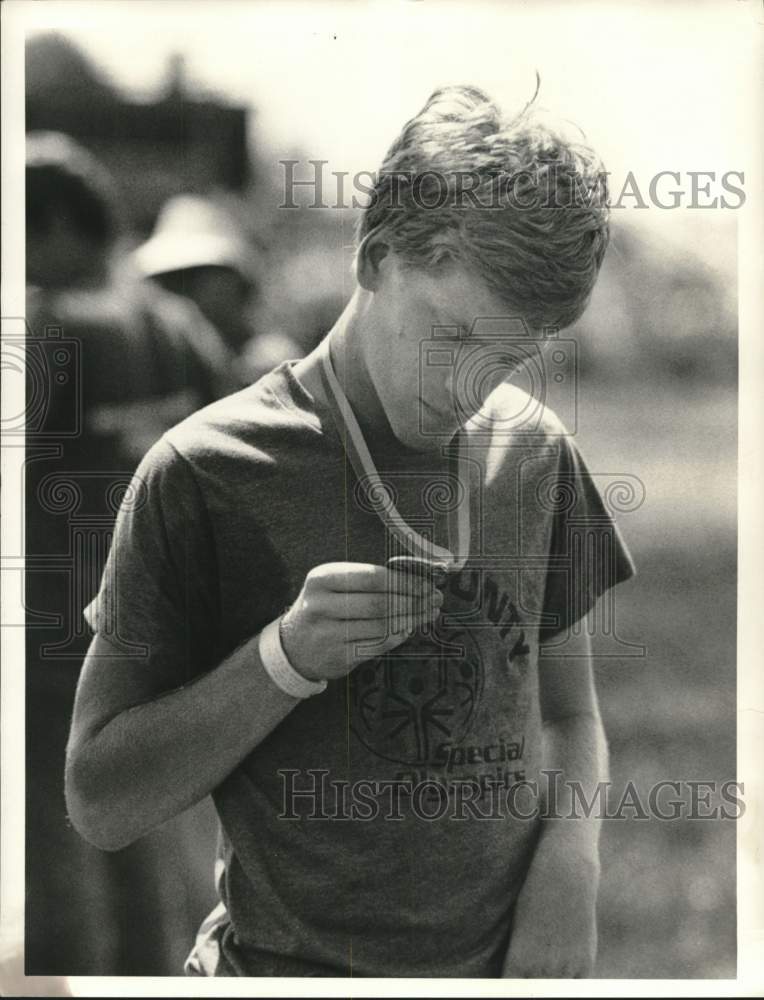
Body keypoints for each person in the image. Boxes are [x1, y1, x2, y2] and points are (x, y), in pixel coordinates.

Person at [65, 86, 636, 978]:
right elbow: (100, 797)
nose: (468, 390)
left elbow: (571, 713)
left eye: (510, 357)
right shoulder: (204, 471)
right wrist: (281, 660)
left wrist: (573, 858)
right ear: (375, 259)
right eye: (450, 337)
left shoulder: (535, 453)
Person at [24, 132, 231, 975]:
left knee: (52, 853)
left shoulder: (42, 325)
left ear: (52, 228)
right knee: (143, 838)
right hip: (159, 637)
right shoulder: (176, 327)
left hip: (47, 640)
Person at [132, 193, 302, 383]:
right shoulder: (161, 361)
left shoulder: (271, 364)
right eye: (168, 280)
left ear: (235, 279)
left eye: (194, 275)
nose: (181, 292)